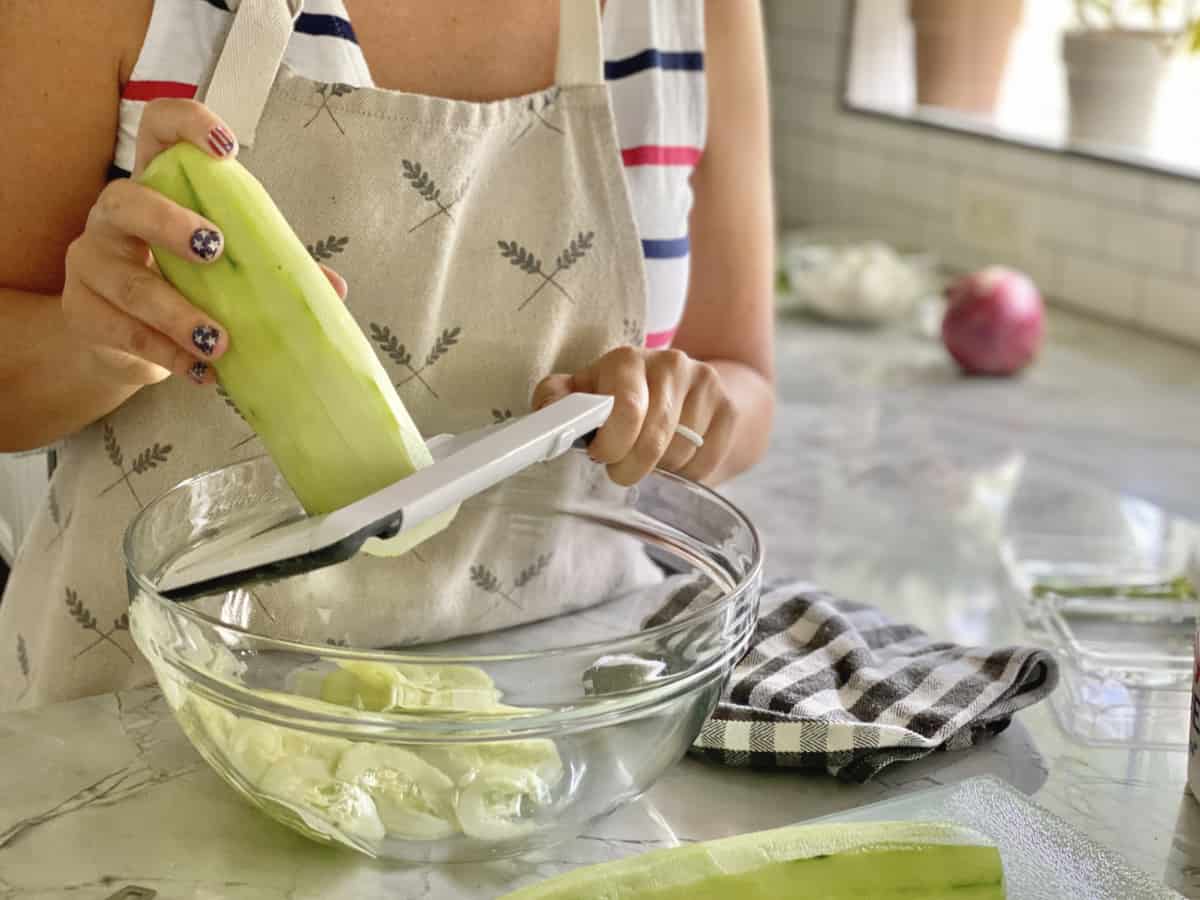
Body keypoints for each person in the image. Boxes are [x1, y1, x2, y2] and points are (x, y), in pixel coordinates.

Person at [0, 0, 775, 709]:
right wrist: (107, 340)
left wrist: (687, 409)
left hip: (558, 707)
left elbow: (743, 380)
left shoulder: (700, 12)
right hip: (158, 712)